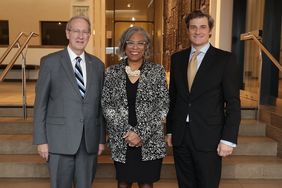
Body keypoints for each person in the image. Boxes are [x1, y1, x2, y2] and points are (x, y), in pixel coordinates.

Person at [166, 10, 241, 188]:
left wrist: (228, 139)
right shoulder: (177, 59)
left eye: (202, 27)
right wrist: (169, 129)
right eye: (193, 27)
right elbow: (173, 98)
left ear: (210, 31)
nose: (197, 31)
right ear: (187, 30)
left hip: (209, 137)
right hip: (181, 136)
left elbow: (233, 103)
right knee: (185, 184)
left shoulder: (225, 59)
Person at [33, 16, 105, 188]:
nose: (81, 36)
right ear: (67, 33)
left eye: (85, 32)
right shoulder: (50, 62)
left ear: (89, 35)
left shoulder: (98, 65)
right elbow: (40, 104)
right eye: (76, 31)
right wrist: (41, 140)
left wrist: (101, 139)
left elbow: (100, 107)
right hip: (58, 141)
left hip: (88, 142)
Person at [101, 26, 169, 188]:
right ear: (124, 46)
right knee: (123, 183)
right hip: (122, 138)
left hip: (150, 139)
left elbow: (163, 105)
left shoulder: (157, 71)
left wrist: (140, 134)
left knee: (146, 184)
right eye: (130, 42)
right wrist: (128, 133)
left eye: (140, 43)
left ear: (147, 46)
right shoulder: (112, 72)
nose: (135, 47)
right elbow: (106, 105)